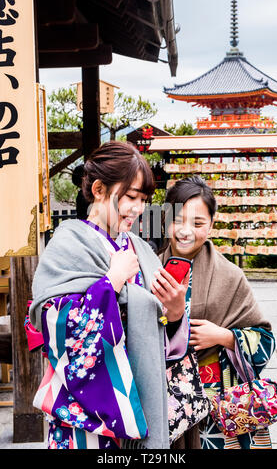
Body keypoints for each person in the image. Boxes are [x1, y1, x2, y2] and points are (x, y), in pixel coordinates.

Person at [29, 141, 190, 450]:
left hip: (140, 403)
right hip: (84, 419)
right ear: (99, 189)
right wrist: (110, 283)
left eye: (143, 199)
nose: (139, 208)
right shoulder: (68, 244)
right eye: (130, 197)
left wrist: (174, 313)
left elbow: (161, 339)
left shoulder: (141, 250)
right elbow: (57, 326)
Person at [154, 175, 275, 450]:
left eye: (197, 223)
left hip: (216, 411)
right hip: (162, 404)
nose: (186, 231)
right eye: (178, 220)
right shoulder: (147, 271)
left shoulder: (231, 276)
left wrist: (223, 336)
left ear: (210, 225)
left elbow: (266, 342)